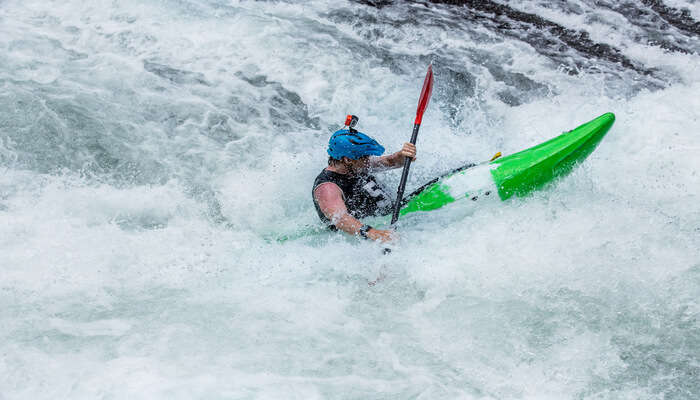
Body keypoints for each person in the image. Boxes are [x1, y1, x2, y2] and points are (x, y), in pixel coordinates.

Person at [312, 115, 416, 243]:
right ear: (348, 159)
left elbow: (390, 161)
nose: (368, 160)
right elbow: (341, 219)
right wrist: (375, 233)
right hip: (357, 238)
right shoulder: (327, 187)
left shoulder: (356, 165)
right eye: (365, 157)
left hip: (389, 216)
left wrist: (403, 155)